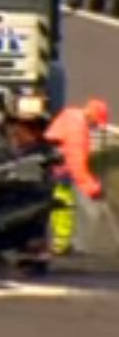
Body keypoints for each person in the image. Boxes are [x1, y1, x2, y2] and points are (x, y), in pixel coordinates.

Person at [46, 97, 110, 255]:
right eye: (95, 123)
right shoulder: (78, 129)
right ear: (92, 116)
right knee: (63, 205)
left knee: (58, 204)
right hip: (59, 170)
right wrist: (93, 189)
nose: (93, 127)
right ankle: (60, 245)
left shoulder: (71, 115)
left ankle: (60, 243)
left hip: (51, 165)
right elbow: (76, 163)